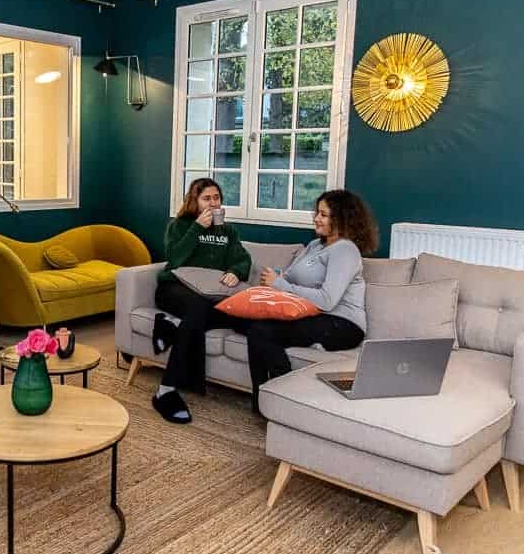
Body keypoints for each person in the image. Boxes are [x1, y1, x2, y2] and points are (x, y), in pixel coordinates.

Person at [246, 189, 378, 396]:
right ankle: (263, 398)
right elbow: (289, 278)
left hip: (342, 324)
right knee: (253, 323)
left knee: (262, 330)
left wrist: (280, 285)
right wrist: (274, 278)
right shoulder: (316, 245)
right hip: (312, 315)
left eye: (323, 215)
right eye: (317, 213)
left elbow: (327, 301)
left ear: (342, 219)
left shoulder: (345, 250)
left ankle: (281, 394)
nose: (316, 219)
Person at [151, 178, 251, 424]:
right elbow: (174, 259)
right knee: (198, 309)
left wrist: (235, 272)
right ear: (194, 201)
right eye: (207, 198)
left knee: (229, 312)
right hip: (174, 288)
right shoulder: (180, 225)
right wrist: (196, 228)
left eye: (216, 198)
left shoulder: (227, 231)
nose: (213, 203)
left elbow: (243, 259)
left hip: (207, 295)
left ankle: (172, 325)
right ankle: (166, 390)